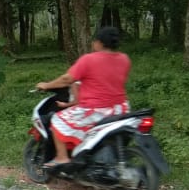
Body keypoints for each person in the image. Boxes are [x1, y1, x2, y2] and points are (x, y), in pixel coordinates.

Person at [35, 26, 130, 168]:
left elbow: (67, 79)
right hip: (120, 109)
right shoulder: (124, 59)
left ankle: (61, 158)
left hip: (95, 110)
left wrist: (47, 85)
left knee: (57, 120)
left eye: (94, 41)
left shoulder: (88, 60)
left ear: (99, 43)